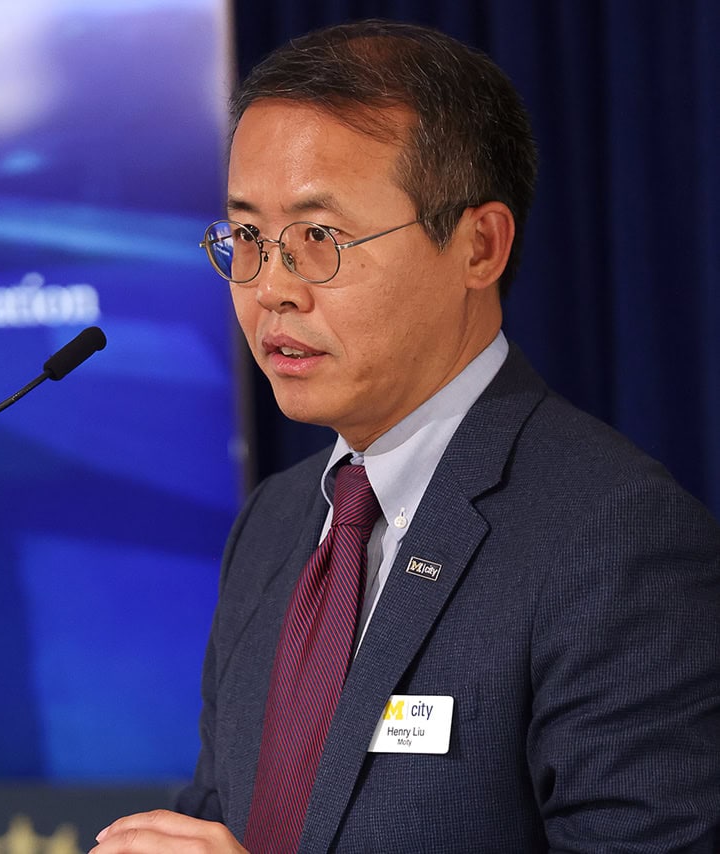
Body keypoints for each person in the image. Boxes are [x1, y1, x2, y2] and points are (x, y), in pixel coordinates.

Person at [91, 19, 720, 854]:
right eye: (247, 237)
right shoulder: (275, 525)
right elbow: (227, 818)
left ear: (478, 246)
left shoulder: (613, 535)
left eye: (319, 238)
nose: (271, 287)